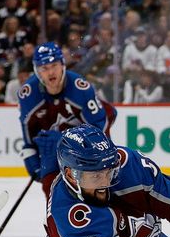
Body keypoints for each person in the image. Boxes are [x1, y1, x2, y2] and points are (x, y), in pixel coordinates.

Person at [18, 42, 117, 197]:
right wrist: (31, 157)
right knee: (52, 189)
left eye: (54, 65)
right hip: (52, 149)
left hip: (86, 148)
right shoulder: (28, 95)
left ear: (63, 65)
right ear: (37, 71)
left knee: (98, 190)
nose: (51, 72)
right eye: (44, 68)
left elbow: (101, 127)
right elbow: (29, 136)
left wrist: (67, 140)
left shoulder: (80, 88)